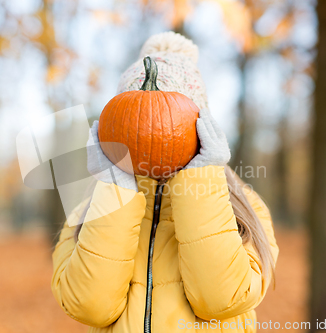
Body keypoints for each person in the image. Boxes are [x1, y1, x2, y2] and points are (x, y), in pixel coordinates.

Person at [51, 31, 279, 333]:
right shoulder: (87, 212)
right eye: (133, 118)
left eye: (168, 117)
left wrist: (201, 179)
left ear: (201, 125)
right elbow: (88, 305)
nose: (150, 131)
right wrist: (115, 188)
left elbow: (224, 299)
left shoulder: (246, 209)